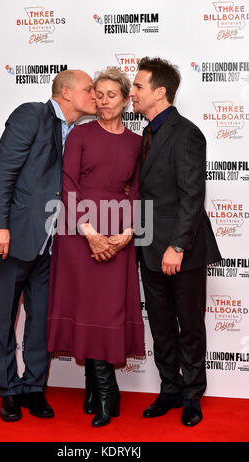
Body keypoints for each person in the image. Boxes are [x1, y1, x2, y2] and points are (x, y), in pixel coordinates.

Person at [0, 69, 97, 422]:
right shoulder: (32, 114)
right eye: (88, 89)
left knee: (41, 320)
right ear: (66, 93)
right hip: (10, 239)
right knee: (3, 319)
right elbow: (3, 172)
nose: (94, 95)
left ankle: (33, 388)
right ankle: (9, 390)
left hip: (50, 245)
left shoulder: (79, 133)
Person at [46, 67, 145, 427]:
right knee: (86, 306)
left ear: (124, 99)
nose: (103, 101)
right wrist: (89, 232)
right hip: (78, 232)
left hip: (118, 233)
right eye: (98, 95)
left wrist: (129, 232)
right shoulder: (80, 134)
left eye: (111, 95)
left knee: (107, 311)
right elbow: (68, 184)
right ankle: (106, 391)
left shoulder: (137, 142)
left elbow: (135, 191)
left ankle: (97, 389)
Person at [130, 57, 221, 427]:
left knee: (190, 326)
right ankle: (170, 388)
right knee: (162, 326)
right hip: (149, 246)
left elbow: (191, 197)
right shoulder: (146, 135)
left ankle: (192, 395)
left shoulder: (185, 134)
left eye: (138, 87)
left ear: (160, 91)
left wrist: (177, 246)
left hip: (181, 250)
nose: (131, 93)